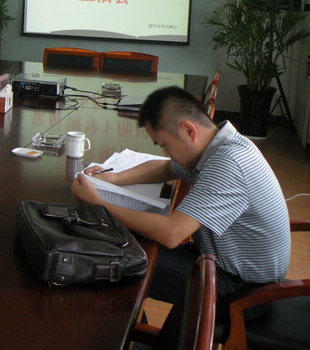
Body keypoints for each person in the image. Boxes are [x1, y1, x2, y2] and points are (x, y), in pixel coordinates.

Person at [71, 86, 289, 349]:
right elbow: (165, 168)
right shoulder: (217, 146)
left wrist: (99, 203)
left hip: (243, 289)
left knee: (117, 261)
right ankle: (135, 333)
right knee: (128, 249)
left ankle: (118, 338)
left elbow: (171, 233)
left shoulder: (229, 163)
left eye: (164, 144)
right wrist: (115, 178)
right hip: (217, 262)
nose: (166, 152)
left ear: (188, 130)